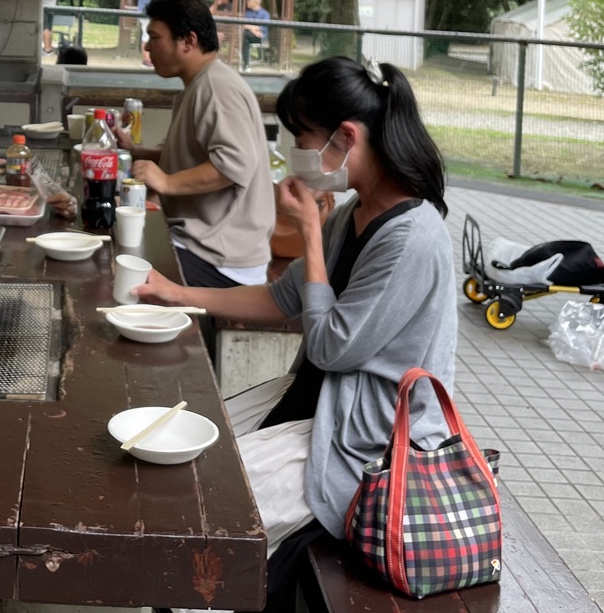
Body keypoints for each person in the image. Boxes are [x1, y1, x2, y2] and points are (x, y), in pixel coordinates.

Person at [132, 56, 455, 610]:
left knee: (202, 507)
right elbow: (284, 300)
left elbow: (330, 347)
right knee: (175, 460)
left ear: (346, 136)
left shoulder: (411, 237)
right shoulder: (353, 213)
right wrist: (179, 295)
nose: (294, 152)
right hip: (314, 403)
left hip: (364, 440)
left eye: (302, 137)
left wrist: (308, 234)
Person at [116, 0, 273, 288]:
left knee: (119, 273)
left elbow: (234, 165)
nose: (148, 47)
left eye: (155, 37)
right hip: (200, 243)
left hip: (222, 260)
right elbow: (191, 155)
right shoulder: (199, 85)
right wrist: (137, 151)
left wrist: (165, 182)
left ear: (188, 41)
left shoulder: (216, 88)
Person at [138, 0, 166, 66]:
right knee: (146, 33)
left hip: (148, 11)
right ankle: (146, 59)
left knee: (147, 33)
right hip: (145, 12)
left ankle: (147, 58)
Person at [242, 0, 271, 72]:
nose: (247, 2)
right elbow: (243, 25)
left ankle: (246, 64)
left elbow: (263, 28)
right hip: (249, 35)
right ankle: (246, 64)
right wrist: (254, 29)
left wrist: (250, 28)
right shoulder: (247, 13)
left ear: (256, 2)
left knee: (244, 35)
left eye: (249, 0)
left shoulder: (265, 14)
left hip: (260, 38)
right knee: (244, 36)